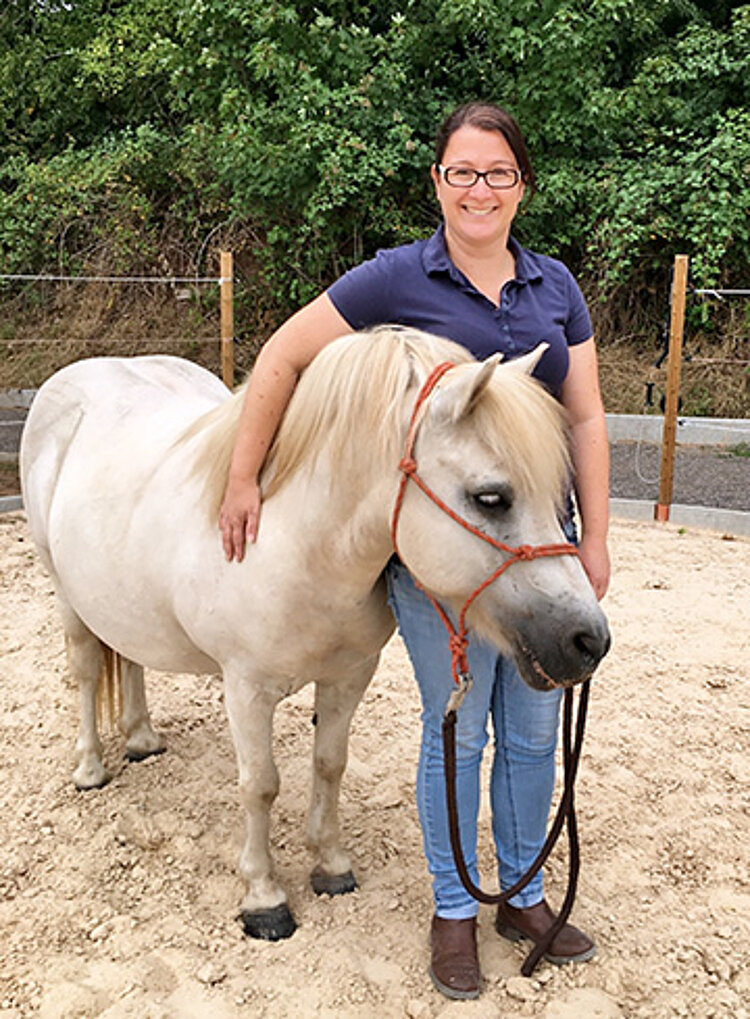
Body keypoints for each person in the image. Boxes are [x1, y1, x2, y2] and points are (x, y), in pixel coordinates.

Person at [219, 101, 610, 1000]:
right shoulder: (393, 280)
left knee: (529, 732)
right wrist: (245, 480)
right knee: (457, 727)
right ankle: (453, 909)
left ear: (523, 186)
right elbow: (279, 359)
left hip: (541, 551)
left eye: (498, 174)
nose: (480, 189)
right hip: (442, 560)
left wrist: (596, 536)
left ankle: (522, 894)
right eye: (463, 172)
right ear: (438, 180)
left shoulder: (555, 288)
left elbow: (585, 414)